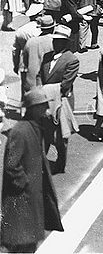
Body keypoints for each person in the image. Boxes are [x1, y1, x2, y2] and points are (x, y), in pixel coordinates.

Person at [1, 87, 63, 252]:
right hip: (22, 198)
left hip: (31, 198)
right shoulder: (20, 131)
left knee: (29, 242)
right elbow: (11, 165)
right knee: (21, 244)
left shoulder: (34, 127)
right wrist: (26, 184)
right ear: (33, 108)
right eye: (42, 106)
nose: (46, 109)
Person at [40, 24, 80, 173]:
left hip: (61, 102)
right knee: (45, 134)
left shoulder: (72, 59)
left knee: (61, 138)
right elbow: (39, 76)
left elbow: (65, 84)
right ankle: (42, 163)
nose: (56, 43)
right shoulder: (46, 56)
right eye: (55, 40)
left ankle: (60, 163)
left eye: (60, 41)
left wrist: (43, 90)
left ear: (66, 42)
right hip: (45, 101)